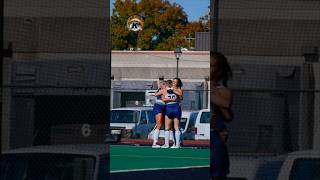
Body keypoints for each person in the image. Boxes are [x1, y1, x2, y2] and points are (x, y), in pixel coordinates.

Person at [210, 52, 233, 180]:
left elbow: (226, 105)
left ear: (218, 71)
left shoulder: (221, 90)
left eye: (211, 66)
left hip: (213, 135)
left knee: (217, 169)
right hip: (193, 134)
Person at [161, 80, 180, 148]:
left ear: (166, 84)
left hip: (169, 107)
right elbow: (180, 96)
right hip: (176, 106)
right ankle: (177, 144)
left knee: (167, 127)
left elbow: (163, 99)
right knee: (176, 127)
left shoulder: (164, 90)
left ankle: (167, 144)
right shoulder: (176, 89)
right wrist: (175, 99)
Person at [151, 80, 167, 148]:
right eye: (164, 85)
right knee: (159, 124)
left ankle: (168, 142)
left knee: (164, 125)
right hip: (158, 106)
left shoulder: (166, 90)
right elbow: (155, 94)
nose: (166, 86)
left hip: (164, 107)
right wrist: (162, 90)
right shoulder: (161, 90)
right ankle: (154, 142)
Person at [171, 77, 183, 148]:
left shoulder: (179, 89)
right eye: (173, 82)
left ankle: (178, 143)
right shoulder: (169, 88)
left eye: (175, 82)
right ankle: (174, 142)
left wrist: (173, 90)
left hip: (176, 108)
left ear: (178, 83)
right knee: (171, 127)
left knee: (176, 126)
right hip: (169, 108)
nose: (174, 83)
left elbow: (180, 94)